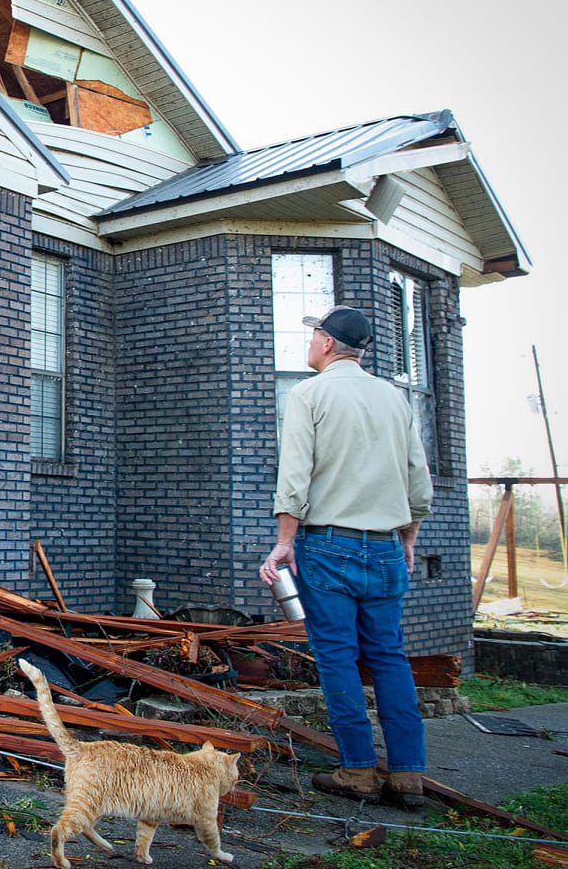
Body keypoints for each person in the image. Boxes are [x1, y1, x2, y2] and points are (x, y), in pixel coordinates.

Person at [260, 305, 433, 807]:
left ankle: (357, 769)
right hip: (384, 546)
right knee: (389, 656)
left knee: (337, 656)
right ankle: (407, 774)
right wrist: (408, 538)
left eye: (313, 334)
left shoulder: (309, 394)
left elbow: (294, 475)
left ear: (330, 344)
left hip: (329, 544)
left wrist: (285, 541)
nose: (308, 342)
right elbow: (417, 482)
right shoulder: (394, 398)